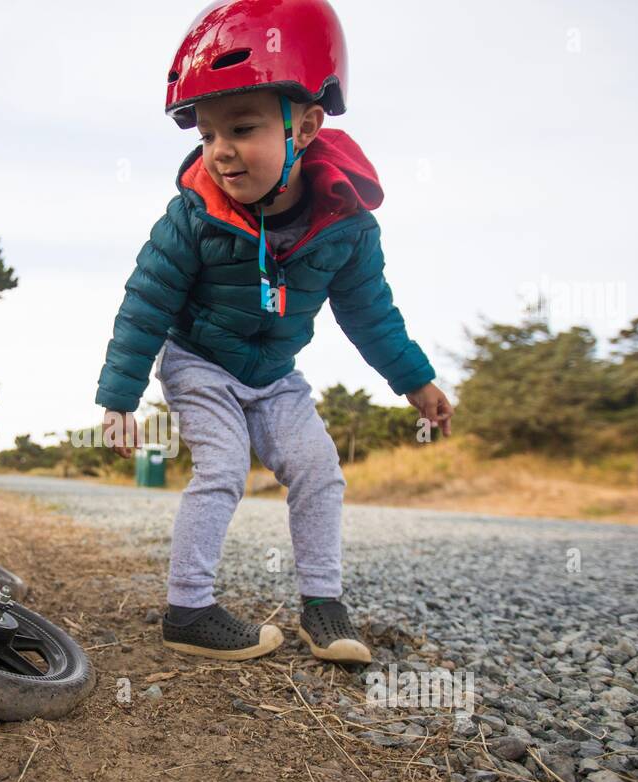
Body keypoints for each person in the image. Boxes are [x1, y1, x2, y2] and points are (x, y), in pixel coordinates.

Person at [96, 0, 453, 663]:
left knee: (319, 468)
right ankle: (188, 609)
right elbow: (145, 303)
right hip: (199, 361)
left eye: (242, 127)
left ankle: (324, 606)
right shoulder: (192, 217)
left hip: (276, 375)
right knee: (225, 469)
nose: (221, 151)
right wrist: (118, 399)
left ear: (307, 125)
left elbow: (369, 311)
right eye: (205, 135)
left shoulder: (345, 223)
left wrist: (416, 380)